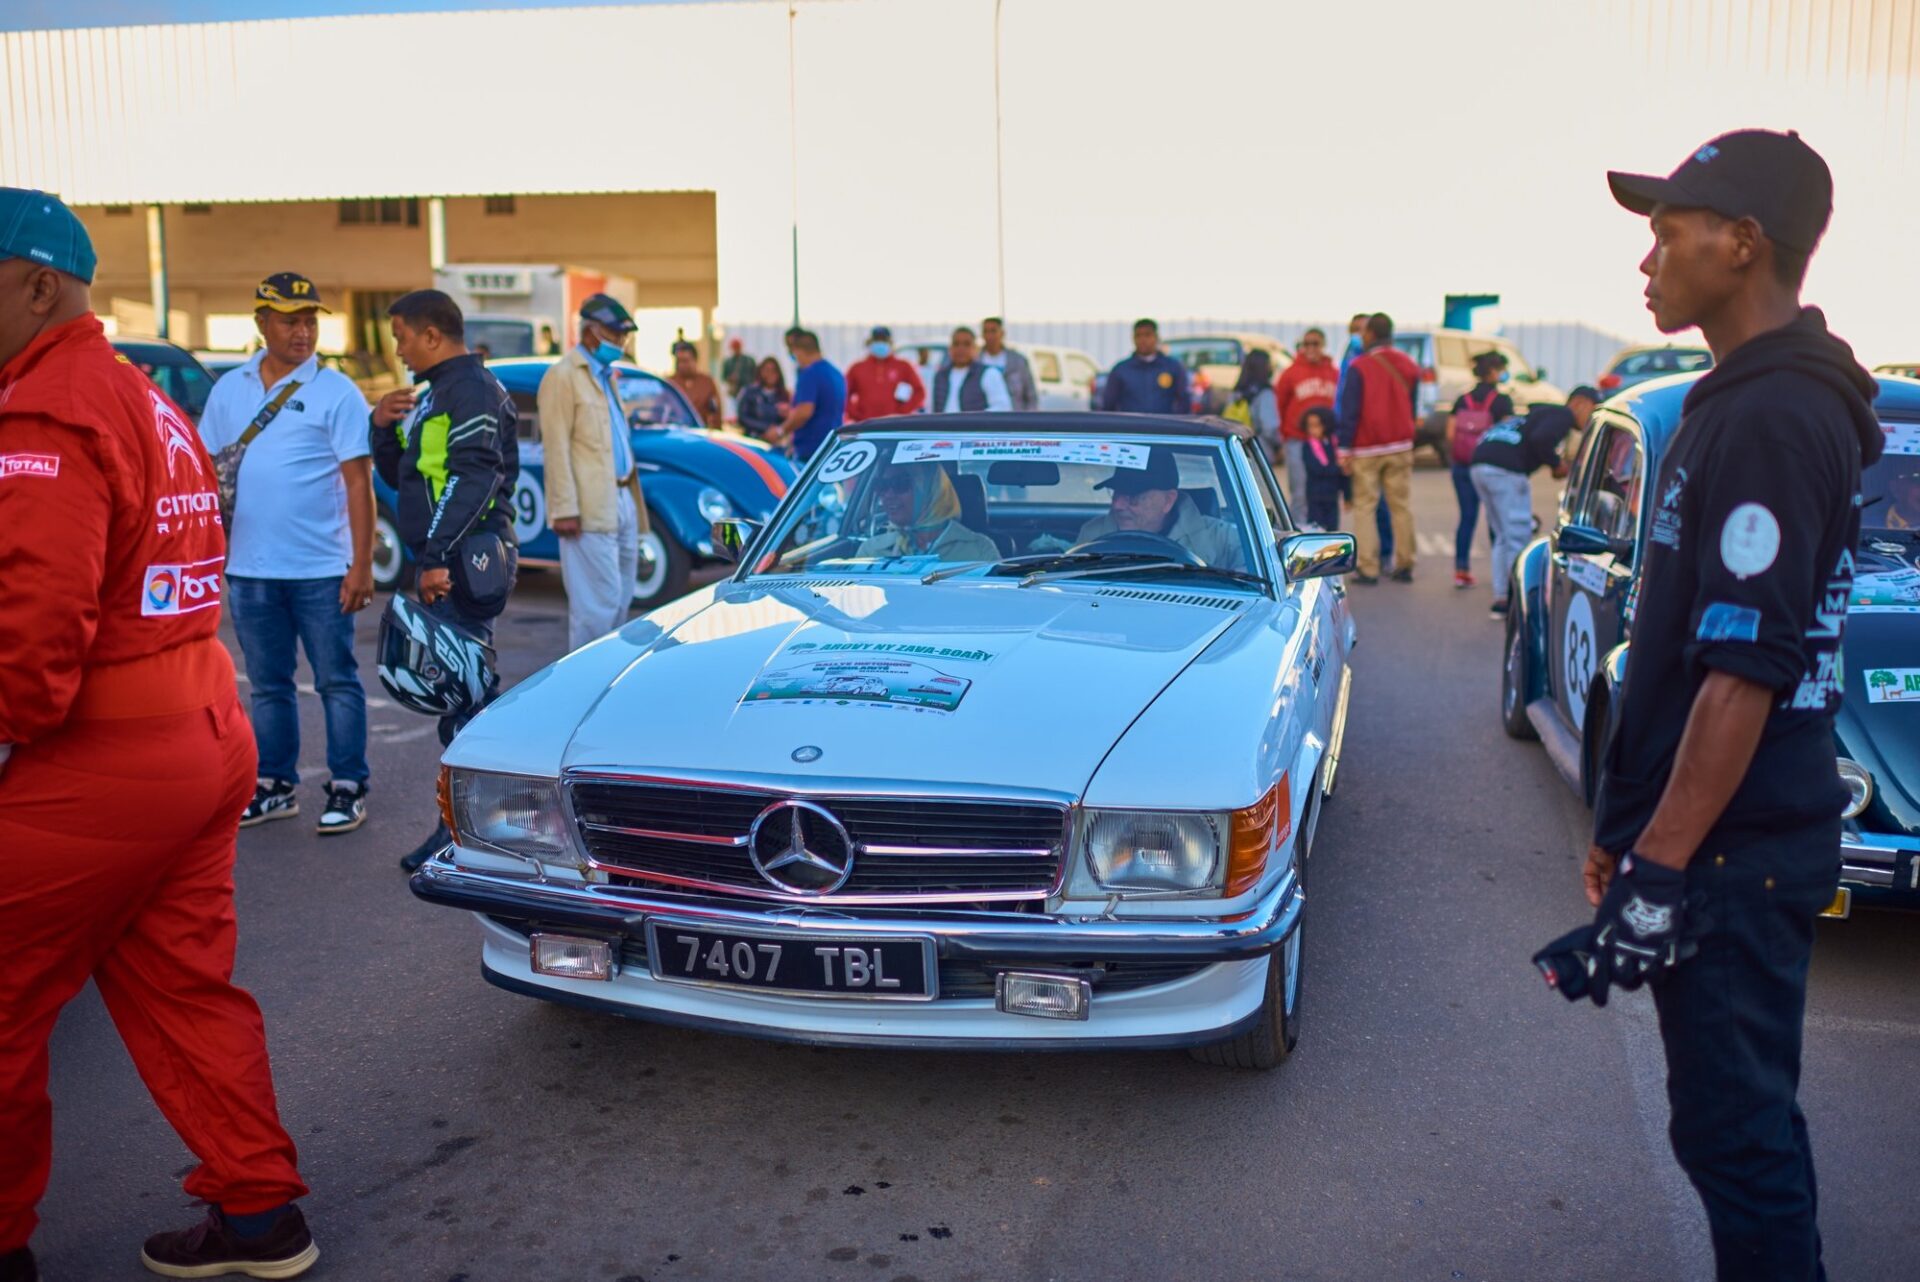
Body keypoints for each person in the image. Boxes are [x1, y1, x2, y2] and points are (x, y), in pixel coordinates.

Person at [1534, 130, 1879, 1282]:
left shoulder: (1774, 418)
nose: (1648, 260)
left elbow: (1742, 671)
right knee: (1734, 1132)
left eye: (1668, 233)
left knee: (1739, 1144)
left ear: (1742, 245)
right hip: (1717, 848)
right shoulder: (1734, 401)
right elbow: (1687, 647)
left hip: (1736, 861)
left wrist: (1663, 869)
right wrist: (1628, 834)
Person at [0, 188, 318, 1282]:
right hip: (200, 727)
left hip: (107, 752)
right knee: (181, 983)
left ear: (39, 286)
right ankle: (258, 1211)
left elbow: (31, 635)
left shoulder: (46, 409)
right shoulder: (140, 395)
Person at [197, 272, 375, 837]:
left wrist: (362, 563)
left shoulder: (337, 392)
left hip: (322, 569)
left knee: (336, 681)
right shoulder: (230, 389)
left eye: (310, 321)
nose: (302, 332)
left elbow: (357, 483)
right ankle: (276, 785)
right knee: (269, 685)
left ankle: (348, 786)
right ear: (261, 324)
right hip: (249, 568)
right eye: (290, 321)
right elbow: (206, 473)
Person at [368, 289, 520, 874]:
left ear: (432, 335)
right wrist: (380, 427)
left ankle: (472, 832)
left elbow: (474, 480)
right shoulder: (439, 395)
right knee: (462, 699)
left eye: (403, 336)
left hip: (464, 563)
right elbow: (404, 477)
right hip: (447, 559)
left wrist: (434, 557)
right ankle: (474, 827)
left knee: (466, 703)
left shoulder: (472, 390)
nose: (400, 350)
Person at [536, 293, 647, 654]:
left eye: (622, 336)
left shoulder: (605, 376)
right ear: (590, 332)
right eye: (614, 335)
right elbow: (556, 447)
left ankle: (607, 675)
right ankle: (586, 686)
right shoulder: (563, 377)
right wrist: (564, 509)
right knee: (595, 608)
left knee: (620, 600)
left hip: (621, 496)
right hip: (586, 507)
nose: (620, 342)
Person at [1471, 389, 1595, 615]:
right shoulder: (1563, 415)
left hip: (1480, 463)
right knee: (1517, 536)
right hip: (1505, 470)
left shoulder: (1537, 414)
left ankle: (1502, 598)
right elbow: (1542, 438)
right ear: (1579, 403)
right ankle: (1518, 601)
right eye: (1593, 408)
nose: (1592, 417)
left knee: (1502, 535)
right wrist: (1556, 464)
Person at [1335, 312, 1422, 583]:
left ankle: (1368, 567)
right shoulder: (1409, 364)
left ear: (1370, 334)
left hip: (1367, 447)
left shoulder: (1359, 366)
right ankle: (1405, 562)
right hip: (1400, 445)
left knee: (1365, 506)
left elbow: (1350, 411)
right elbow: (1412, 404)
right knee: (1400, 506)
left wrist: (1344, 449)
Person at [1076, 447, 1246, 570]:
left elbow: (1253, 589)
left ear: (1168, 500)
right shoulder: (1092, 534)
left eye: (1133, 497)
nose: (1117, 505)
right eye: (1115, 494)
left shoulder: (1222, 539)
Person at [1445, 352, 1516, 590]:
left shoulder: (1462, 399)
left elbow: (1450, 433)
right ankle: (1502, 571)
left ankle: (1461, 570)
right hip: (1491, 467)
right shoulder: (1502, 401)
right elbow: (1508, 434)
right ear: (1494, 372)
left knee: (1466, 517)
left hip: (1462, 465)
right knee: (1495, 519)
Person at [1335, 311, 1394, 566]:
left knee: (1376, 503)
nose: (1359, 334)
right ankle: (1372, 556)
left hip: (1369, 439)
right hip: (1353, 434)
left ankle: (1382, 554)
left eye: (1363, 329)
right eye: (1355, 329)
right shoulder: (1351, 355)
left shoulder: (1369, 359)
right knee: (1364, 501)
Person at [855, 464, 1000, 561]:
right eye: (882, 486)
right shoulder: (871, 551)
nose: (888, 495)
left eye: (900, 484)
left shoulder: (979, 549)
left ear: (931, 492)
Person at [1274, 327, 1339, 515]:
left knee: (1327, 488)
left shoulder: (1333, 372)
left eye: (1315, 343)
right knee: (1300, 491)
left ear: (1323, 346)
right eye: (1306, 344)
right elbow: (1280, 404)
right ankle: (1300, 532)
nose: (1310, 348)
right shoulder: (1291, 373)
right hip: (1298, 439)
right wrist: (1284, 435)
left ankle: (1326, 530)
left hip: (1326, 441)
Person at [772, 329, 844, 462]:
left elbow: (805, 412)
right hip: (832, 448)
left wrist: (780, 431)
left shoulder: (809, 374)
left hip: (811, 451)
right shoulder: (836, 374)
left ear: (798, 351)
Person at [1100, 318, 1190, 414]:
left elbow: (1184, 400)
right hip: (1130, 428)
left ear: (1156, 338)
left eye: (1147, 335)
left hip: (1164, 427)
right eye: (1138, 335)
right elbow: (1108, 404)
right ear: (1133, 339)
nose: (1143, 340)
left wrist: (1174, 425)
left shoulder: (1173, 367)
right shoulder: (1120, 370)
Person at [844, 325, 926, 421]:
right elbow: (844, 393)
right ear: (870, 343)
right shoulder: (857, 368)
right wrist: (855, 414)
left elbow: (919, 392)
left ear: (890, 343)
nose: (880, 343)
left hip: (893, 426)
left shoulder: (903, 366)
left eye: (884, 340)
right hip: (865, 426)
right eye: (877, 340)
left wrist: (903, 412)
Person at [931, 326, 1012, 413]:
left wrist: (974, 420)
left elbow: (1002, 408)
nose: (961, 349)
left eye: (966, 344)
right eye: (956, 344)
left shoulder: (989, 374)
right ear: (950, 349)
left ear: (975, 348)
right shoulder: (940, 376)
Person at [1298, 406, 1346, 532]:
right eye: (1310, 426)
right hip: (1315, 495)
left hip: (1332, 494)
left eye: (1317, 425)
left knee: (1333, 526)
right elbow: (1316, 469)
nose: (1313, 430)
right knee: (1315, 526)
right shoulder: (1307, 446)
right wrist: (1337, 468)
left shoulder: (1333, 443)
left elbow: (1342, 472)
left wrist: (1347, 494)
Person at [1224, 348, 1279, 453]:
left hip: (1236, 449)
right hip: (1258, 449)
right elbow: (1270, 428)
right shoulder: (1265, 394)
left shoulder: (1236, 392)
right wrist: (1279, 445)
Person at [980, 316, 1040, 411]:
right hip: (985, 420)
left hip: (1015, 417)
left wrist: (1028, 420)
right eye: (986, 331)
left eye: (993, 331)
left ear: (1002, 333)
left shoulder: (1018, 361)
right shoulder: (976, 361)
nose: (990, 335)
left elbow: (1031, 396)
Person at [669, 340, 723, 430]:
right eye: (679, 361)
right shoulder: (670, 382)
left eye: (685, 361)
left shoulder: (707, 382)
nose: (681, 365)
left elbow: (716, 414)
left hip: (701, 433)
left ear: (695, 360)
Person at [736, 356, 788, 439]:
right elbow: (743, 417)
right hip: (753, 437)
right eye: (767, 370)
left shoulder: (783, 395)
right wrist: (766, 428)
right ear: (760, 372)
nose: (771, 374)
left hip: (776, 440)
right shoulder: (749, 392)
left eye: (774, 371)